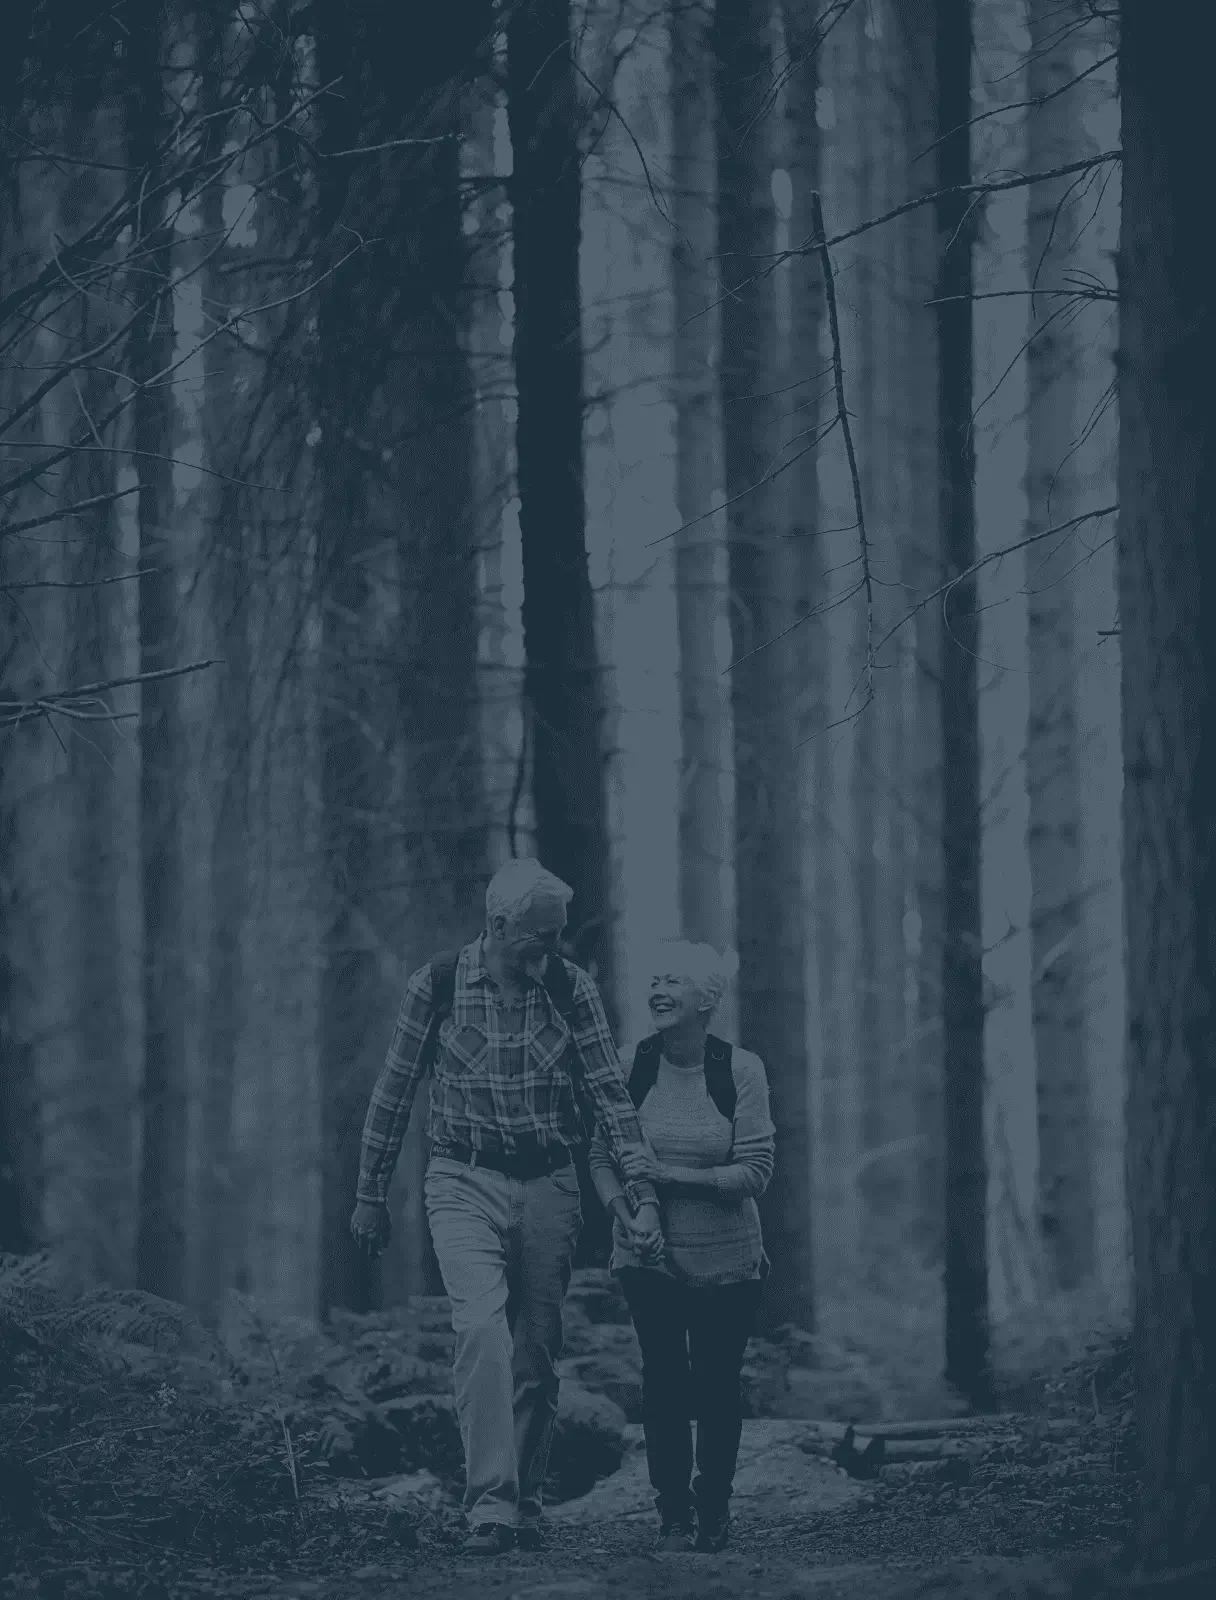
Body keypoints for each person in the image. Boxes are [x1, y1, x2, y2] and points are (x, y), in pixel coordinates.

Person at [348, 859, 663, 1556]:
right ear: (496, 925)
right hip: (462, 1180)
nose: (550, 952)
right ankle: (489, 1503)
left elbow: (611, 1097)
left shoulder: (571, 990)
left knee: (537, 1356)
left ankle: (524, 1501)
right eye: (538, 939)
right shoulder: (436, 986)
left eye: (556, 939)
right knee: (482, 1331)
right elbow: (394, 1092)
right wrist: (370, 1191)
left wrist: (641, 1194)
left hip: (551, 1183)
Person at [589, 940, 775, 1554]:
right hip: (647, 1254)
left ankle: (714, 1509)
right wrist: (625, 1215)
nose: (658, 991)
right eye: (654, 981)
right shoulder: (629, 1063)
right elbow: (601, 1159)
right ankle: (672, 1514)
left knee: (718, 1382)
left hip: (729, 1258)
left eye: (674, 982)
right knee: (664, 1379)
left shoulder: (739, 1070)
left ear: (708, 1001)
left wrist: (670, 1178)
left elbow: (755, 1173)